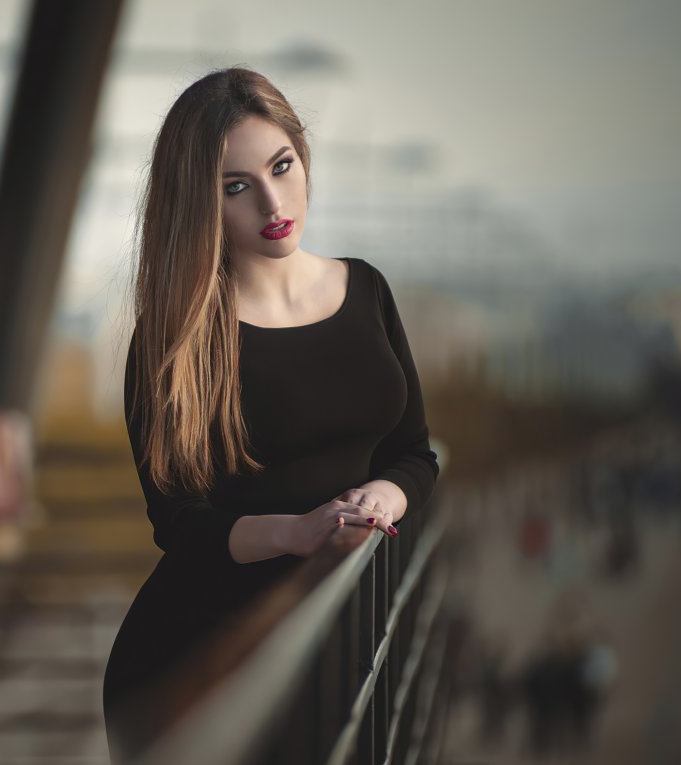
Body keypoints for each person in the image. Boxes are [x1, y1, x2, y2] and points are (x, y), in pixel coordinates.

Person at [100, 67, 440, 762]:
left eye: (281, 167)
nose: (272, 200)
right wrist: (299, 530)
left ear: (302, 157)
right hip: (200, 661)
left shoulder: (366, 288)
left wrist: (382, 493)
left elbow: (415, 453)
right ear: (200, 203)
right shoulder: (175, 336)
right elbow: (178, 523)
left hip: (335, 638)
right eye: (236, 186)